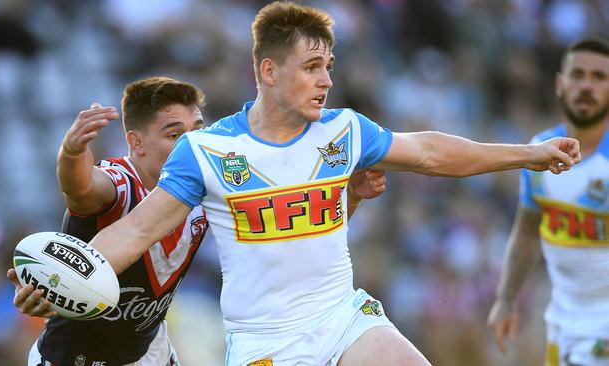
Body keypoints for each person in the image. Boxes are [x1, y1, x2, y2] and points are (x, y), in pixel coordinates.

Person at [85, 2, 581, 365]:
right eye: (311, 67)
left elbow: (429, 152)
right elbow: (134, 233)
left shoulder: (344, 130)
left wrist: (527, 154)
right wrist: (65, 274)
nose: (326, 81)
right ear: (268, 71)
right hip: (266, 340)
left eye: (329, 67)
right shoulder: (206, 150)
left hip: (342, 316)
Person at [7, 75, 384, 366]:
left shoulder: (208, 185)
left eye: (198, 130)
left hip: (149, 351)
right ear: (135, 143)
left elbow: (298, 238)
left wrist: (349, 197)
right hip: (72, 357)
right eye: (175, 134)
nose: (192, 143)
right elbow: (83, 189)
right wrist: (71, 153)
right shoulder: (121, 183)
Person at [487, 37, 609, 366]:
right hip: (562, 324)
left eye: (599, 77)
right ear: (560, 84)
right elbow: (527, 232)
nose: (587, 86)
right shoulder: (540, 150)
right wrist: (506, 299)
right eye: (578, 74)